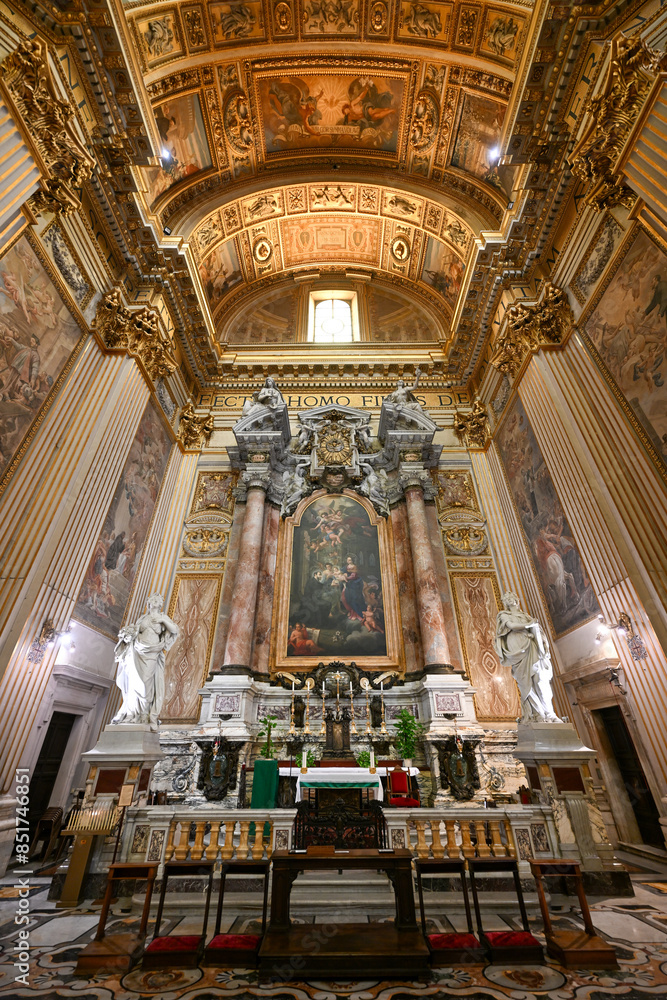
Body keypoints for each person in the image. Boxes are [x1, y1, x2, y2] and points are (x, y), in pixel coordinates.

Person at [111, 593, 179, 728]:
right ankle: (133, 713)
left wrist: (163, 621)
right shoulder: (142, 618)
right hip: (138, 650)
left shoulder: (162, 617)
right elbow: (135, 632)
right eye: (152, 599)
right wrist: (127, 636)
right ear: (148, 603)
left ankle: (145, 713)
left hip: (152, 652)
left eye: (157, 599)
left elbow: (175, 629)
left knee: (146, 683)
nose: (154, 601)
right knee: (134, 682)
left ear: (160, 604)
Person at [494, 592, 561, 724]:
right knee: (525, 683)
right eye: (506, 599)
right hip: (518, 650)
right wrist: (529, 625)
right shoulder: (503, 615)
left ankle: (550, 712)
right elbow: (512, 626)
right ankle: (537, 714)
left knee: (540, 680)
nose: (509, 600)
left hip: (531, 647)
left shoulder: (525, 615)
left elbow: (538, 631)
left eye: (511, 598)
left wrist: (541, 641)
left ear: (516, 599)